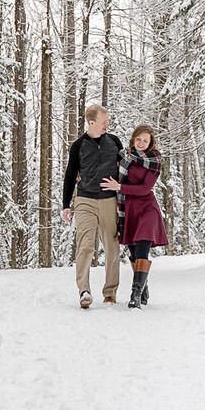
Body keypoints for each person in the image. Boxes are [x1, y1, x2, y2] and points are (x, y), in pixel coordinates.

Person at [100, 124, 168, 309]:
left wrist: (120, 187)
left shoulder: (154, 159)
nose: (141, 143)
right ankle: (143, 288)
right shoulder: (123, 156)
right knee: (133, 252)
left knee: (143, 246)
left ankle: (135, 295)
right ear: (133, 139)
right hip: (128, 209)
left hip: (147, 207)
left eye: (145, 140)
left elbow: (145, 188)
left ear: (150, 142)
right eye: (138, 139)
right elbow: (105, 166)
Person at [62, 104, 123, 308]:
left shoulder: (114, 142)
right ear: (92, 122)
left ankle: (110, 292)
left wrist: (121, 187)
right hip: (85, 200)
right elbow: (70, 176)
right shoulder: (78, 145)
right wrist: (66, 204)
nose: (107, 125)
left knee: (111, 247)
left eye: (107, 121)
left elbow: (126, 168)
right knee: (86, 246)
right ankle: (84, 291)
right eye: (104, 121)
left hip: (109, 200)